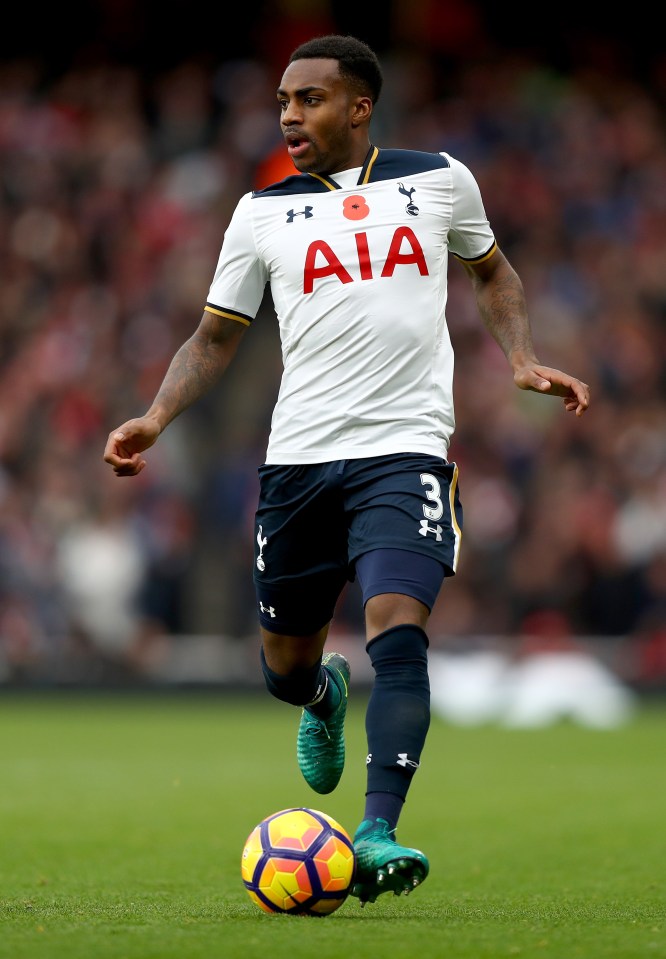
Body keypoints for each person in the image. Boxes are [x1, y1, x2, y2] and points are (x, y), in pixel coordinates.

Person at [103, 34, 590, 905]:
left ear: (359, 107)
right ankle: (321, 692)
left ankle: (377, 830)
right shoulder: (260, 213)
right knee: (284, 669)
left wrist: (519, 356)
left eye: (309, 99)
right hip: (297, 464)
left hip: (404, 450)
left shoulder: (440, 178)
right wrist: (156, 414)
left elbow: (493, 270)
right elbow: (215, 334)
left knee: (398, 626)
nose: (289, 114)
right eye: (283, 101)